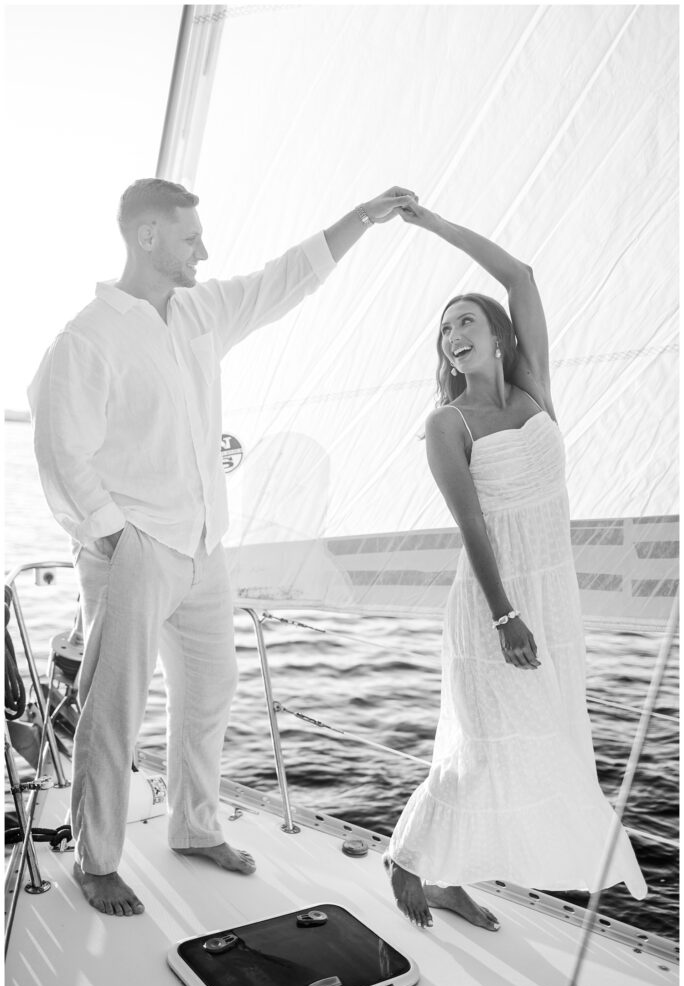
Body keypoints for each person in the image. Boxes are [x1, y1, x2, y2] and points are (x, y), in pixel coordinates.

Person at [28, 178, 417, 917]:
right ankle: (97, 860)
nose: (203, 250)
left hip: (206, 547)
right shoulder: (88, 336)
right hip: (135, 550)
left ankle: (195, 827)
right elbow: (58, 448)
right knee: (113, 708)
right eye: (188, 237)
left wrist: (360, 216)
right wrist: (115, 534)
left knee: (210, 691)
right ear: (147, 237)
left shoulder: (201, 311)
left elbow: (284, 280)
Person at [384, 202, 648, 931]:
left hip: (551, 597)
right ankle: (407, 858)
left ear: (498, 336)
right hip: (491, 602)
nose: (452, 334)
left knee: (545, 740)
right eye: (444, 329)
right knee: (485, 741)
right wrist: (504, 615)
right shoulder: (446, 424)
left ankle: (451, 874)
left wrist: (431, 223)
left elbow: (521, 275)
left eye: (465, 320)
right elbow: (471, 525)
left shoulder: (535, 393)